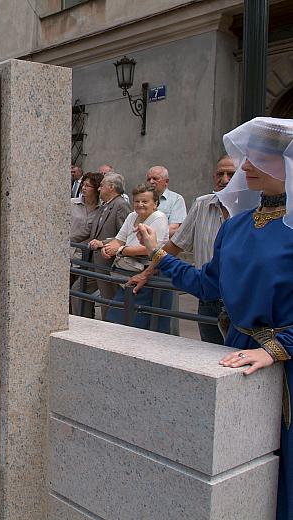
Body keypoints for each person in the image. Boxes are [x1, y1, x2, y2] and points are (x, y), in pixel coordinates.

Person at [134, 117, 293, 520]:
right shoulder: (236, 226)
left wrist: (277, 349)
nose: (245, 167)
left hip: (286, 364)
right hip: (238, 353)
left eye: (259, 159)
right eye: (247, 158)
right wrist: (159, 256)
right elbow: (208, 285)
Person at [128, 154, 235, 344]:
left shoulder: (254, 208)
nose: (224, 180)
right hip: (208, 298)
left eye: (231, 174)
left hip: (240, 300)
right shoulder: (203, 204)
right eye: (220, 174)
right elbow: (175, 245)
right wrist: (147, 273)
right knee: (209, 354)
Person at [100, 183, 170, 332]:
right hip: (128, 274)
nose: (140, 205)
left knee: (134, 322)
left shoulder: (159, 217)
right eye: (137, 201)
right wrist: (108, 249)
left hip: (149, 275)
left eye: (145, 201)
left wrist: (119, 250)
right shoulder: (132, 216)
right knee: (121, 319)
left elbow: (148, 249)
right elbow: (119, 239)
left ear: (155, 204)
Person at [72, 172, 131, 318]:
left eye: (102, 186)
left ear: (111, 187)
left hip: (107, 261)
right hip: (95, 262)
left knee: (108, 299)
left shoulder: (121, 206)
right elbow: (89, 230)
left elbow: (124, 235)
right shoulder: (105, 206)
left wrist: (103, 243)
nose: (99, 189)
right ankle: (84, 323)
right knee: (78, 290)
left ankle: (109, 330)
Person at [69, 171, 103, 290]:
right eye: (83, 184)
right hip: (69, 252)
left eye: (88, 186)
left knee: (80, 291)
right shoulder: (72, 204)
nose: (84, 188)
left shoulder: (102, 209)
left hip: (86, 256)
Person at [146, 165, 186, 236]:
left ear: (166, 182)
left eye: (155, 178)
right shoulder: (142, 200)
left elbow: (173, 228)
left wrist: (148, 236)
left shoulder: (176, 199)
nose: (151, 182)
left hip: (162, 245)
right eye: (149, 179)